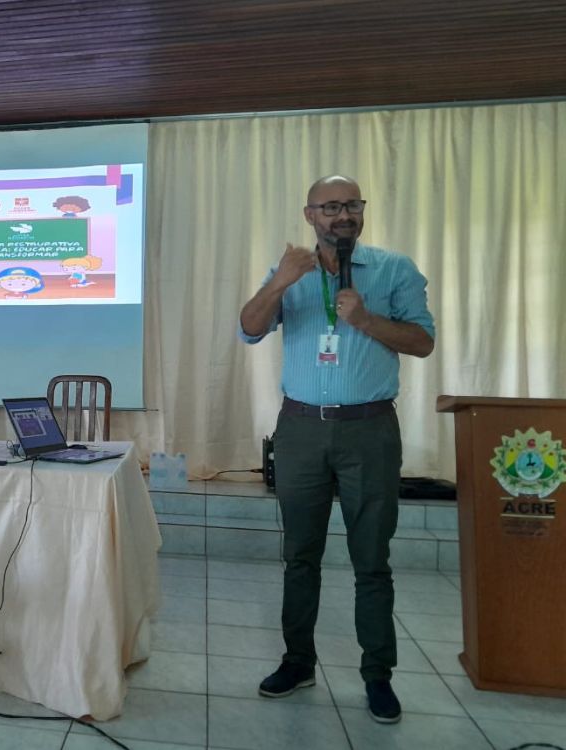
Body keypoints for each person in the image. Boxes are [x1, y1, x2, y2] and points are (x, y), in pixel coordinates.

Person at [238, 175, 435, 724]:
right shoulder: (292, 271)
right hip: (300, 430)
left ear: (362, 212)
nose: (341, 215)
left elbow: (423, 341)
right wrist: (279, 282)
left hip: (369, 431)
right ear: (310, 215)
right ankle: (298, 661)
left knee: (372, 561)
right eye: (330, 207)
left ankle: (378, 677)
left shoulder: (394, 269)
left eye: (350, 205)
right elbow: (249, 329)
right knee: (300, 557)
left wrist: (366, 320)